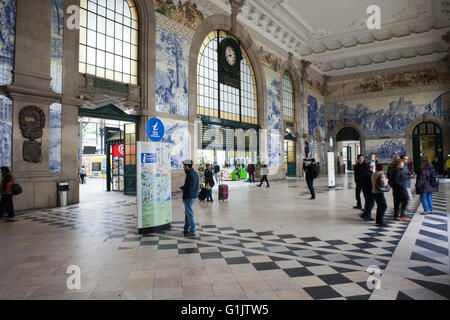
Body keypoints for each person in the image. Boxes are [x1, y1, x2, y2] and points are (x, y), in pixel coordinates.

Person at [181, 160, 199, 237]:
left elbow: (189, 188)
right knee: (187, 213)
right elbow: (191, 186)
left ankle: (192, 231)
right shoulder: (194, 173)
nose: (183, 167)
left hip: (189, 196)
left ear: (187, 166)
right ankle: (186, 229)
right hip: (192, 195)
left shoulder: (190, 175)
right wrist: (184, 187)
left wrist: (184, 197)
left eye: (184, 166)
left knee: (190, 214)